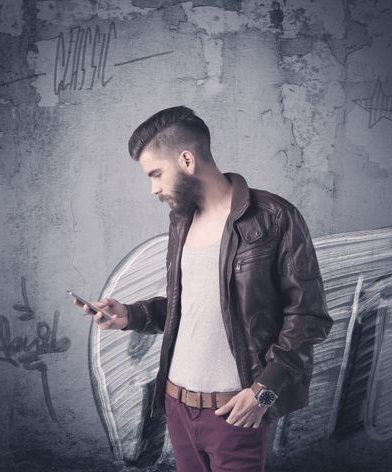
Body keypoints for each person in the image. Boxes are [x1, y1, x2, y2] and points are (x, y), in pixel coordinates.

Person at [74, 106, 334, 471]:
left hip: (233, 410)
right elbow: (190, 305)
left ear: (186, 159)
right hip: (176, 406)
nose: (154, 189)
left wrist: (264, 393)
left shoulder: (275, 217)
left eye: (156, 174)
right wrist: (129, 315)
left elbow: (309, 317)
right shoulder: (181, 222)